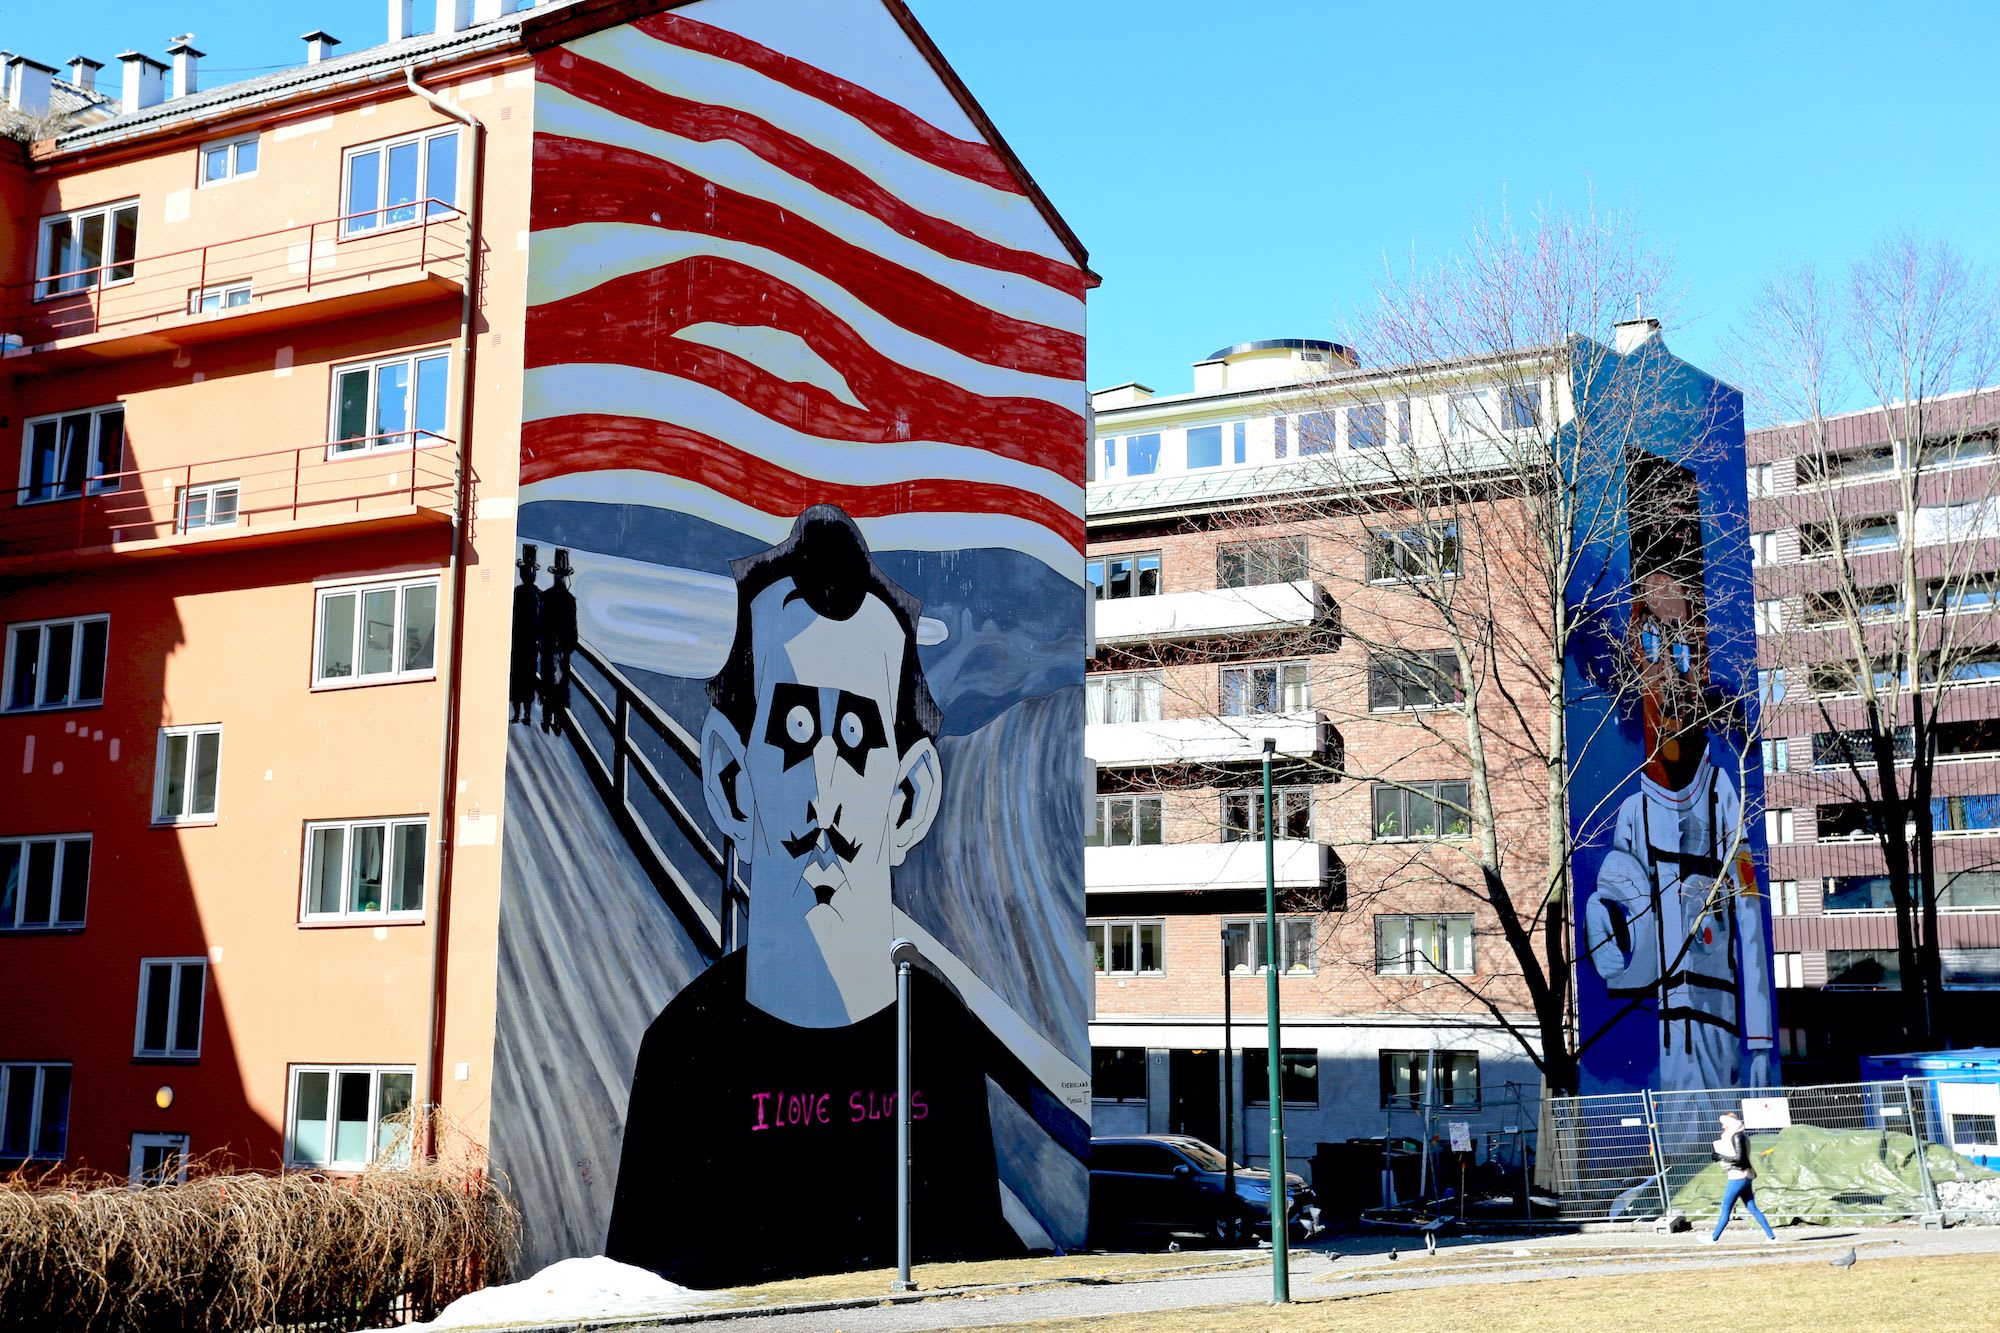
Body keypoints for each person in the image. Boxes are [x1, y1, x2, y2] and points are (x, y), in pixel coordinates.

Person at [603, 505, 1071, 1287]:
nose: (825, 789)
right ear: (731, 779)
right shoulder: (683, 1055)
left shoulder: (937, 1036)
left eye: (855, 737)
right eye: (792, 728)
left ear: (908, 798)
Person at [1584, 451, 1774, 1151]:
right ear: (1636, 644)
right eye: (1655, 644)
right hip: (1670, 1032)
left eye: (1688, 648)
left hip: (1721, 1028)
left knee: (1711, 1142)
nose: (1673, 672)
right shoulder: (1630, 807)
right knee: (1681, 1143)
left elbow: (1749, 915)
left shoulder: (1724, 794)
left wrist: (1759, 1039)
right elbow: (1617, 929)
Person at [1706, 1110, 1777, 1242]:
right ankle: (1771, 1236)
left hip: (1737, 1177)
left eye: (1724, 1124)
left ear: (1730, 1123)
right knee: (1752, 1208)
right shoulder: (1742, 1136)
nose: (1722, 1127)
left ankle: (1713, 1238)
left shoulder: (1737, 1137)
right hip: (1746, 1177)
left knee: (1726, 1208)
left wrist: (1720, 1156)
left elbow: (1740, 1159)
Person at [539, 547, 578, 735]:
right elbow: (573, 631)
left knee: (549, 683)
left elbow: (541, 624)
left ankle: (548, 719)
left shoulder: (545, 597)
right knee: (559, 686)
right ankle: (556, 720)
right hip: (560, 651)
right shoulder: (569, 600)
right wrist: (568, 647)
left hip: (550, 649)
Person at [509, 545, 542, 725]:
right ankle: (525, 714)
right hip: (527, 642)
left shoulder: (519, 592)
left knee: (521, 678)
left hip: (521, 642)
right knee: (525, 678)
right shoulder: (535, 594)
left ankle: (520, 714)